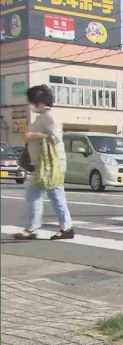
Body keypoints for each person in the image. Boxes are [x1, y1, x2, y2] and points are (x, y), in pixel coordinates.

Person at [13, 85, 74, 240]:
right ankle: (33, 228)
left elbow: (55, 138)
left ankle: (65, 228)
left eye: (32, 102)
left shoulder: (51, 117)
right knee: (34, 195)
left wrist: (33, 135)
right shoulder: (42, 116)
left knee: (55, 195)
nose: (30, 105)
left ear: (38, 102)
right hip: (43, 165)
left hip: (52, 166)